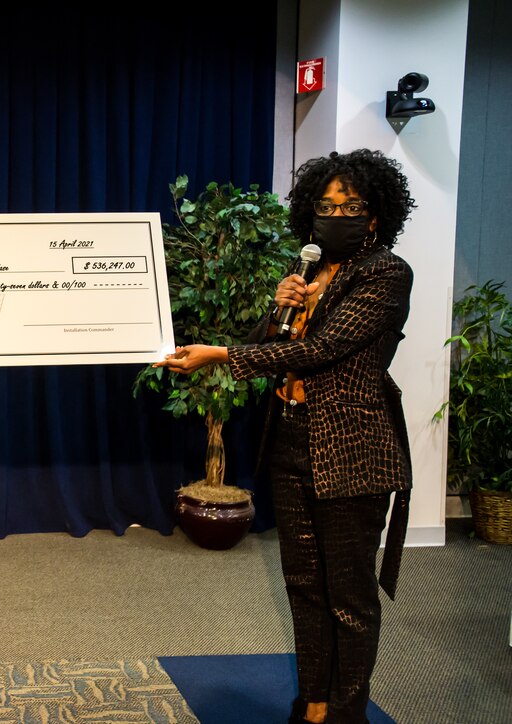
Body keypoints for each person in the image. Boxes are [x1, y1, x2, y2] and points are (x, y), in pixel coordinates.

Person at [154, 148, 415, 724]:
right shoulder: (310, 273)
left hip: (351, 449)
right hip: (293, 439)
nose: (335, 215)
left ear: (375, 216)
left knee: (348, 596)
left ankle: (348, 713)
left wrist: (219, 355)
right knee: (302, 583)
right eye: (326, 204)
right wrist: (278, 310)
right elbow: (275, 342)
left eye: (349, 206)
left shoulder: (386, 273)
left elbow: (321, 351)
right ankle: (313, 704)